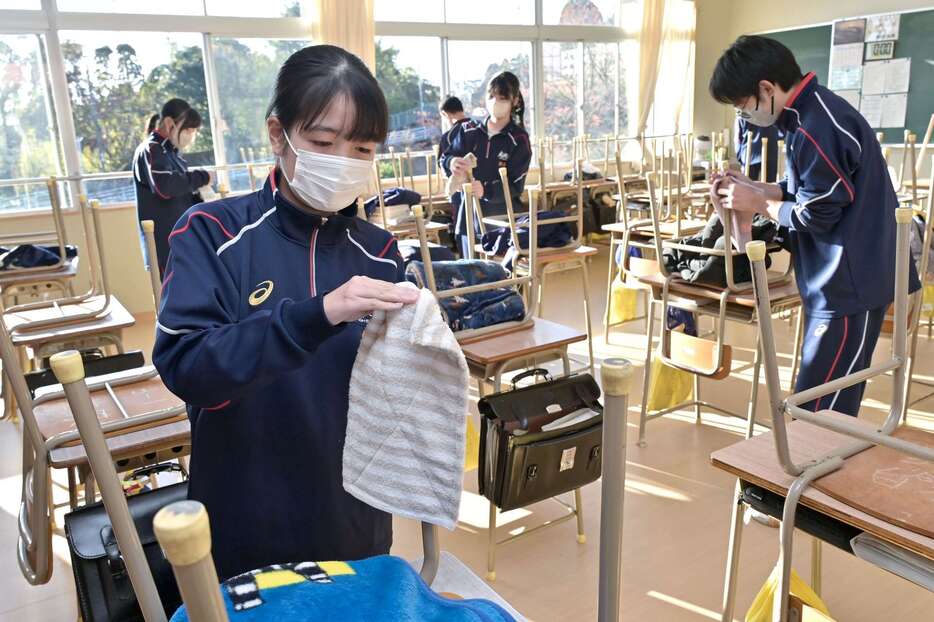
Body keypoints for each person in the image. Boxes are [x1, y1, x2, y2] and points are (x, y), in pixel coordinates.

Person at [152, 45, 420, 580]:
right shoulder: (213, 234)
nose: (344, 163)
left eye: (363, 149)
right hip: (245, 523)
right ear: (279, 135)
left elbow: (392, 395)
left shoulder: (380, 252)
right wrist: (317, 315)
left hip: (354, 521)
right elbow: (188, 367)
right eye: (324, 142)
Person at [709, 35, 919, 417]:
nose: (746, 118)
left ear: (766, 88)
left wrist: (757, 203)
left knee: (820, 408)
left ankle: (814, 471)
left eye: (744, 107)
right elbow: (803, 188)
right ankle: (814, 468)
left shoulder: (815, 126)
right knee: (823, 400)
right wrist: (754, 189)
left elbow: (816, 214)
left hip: (851, 285)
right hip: (843, 278)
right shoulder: (808, 115)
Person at [440, 71, 532, 258]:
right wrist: (451, 163)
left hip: (502, 222)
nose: (495, 102)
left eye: (503, 98)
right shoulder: (468, 130)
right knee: (471, 277)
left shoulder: (518, 139)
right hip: (468, 219)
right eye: (492, 96)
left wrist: (486, 191)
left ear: (514, 101)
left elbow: (516, 185)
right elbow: (446, 157)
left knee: (502, 280)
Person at [132, 98, 214, 276]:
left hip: (181, 238)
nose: (190, 136)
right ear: (170, 123)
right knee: (172, 296)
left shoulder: (173, 154)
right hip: (163, 243)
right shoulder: (151, 150)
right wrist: (201, 176)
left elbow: (181, 192)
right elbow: (165, 186)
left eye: (193, 131)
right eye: (188, 130)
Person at [734, 116, 781, 183]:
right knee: (770, 188)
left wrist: (740, 159)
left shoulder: (743, 112)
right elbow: (782, 131)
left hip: (749, 155)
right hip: (770, 152)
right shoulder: (772, 110)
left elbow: (738, 139)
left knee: (748, 188)